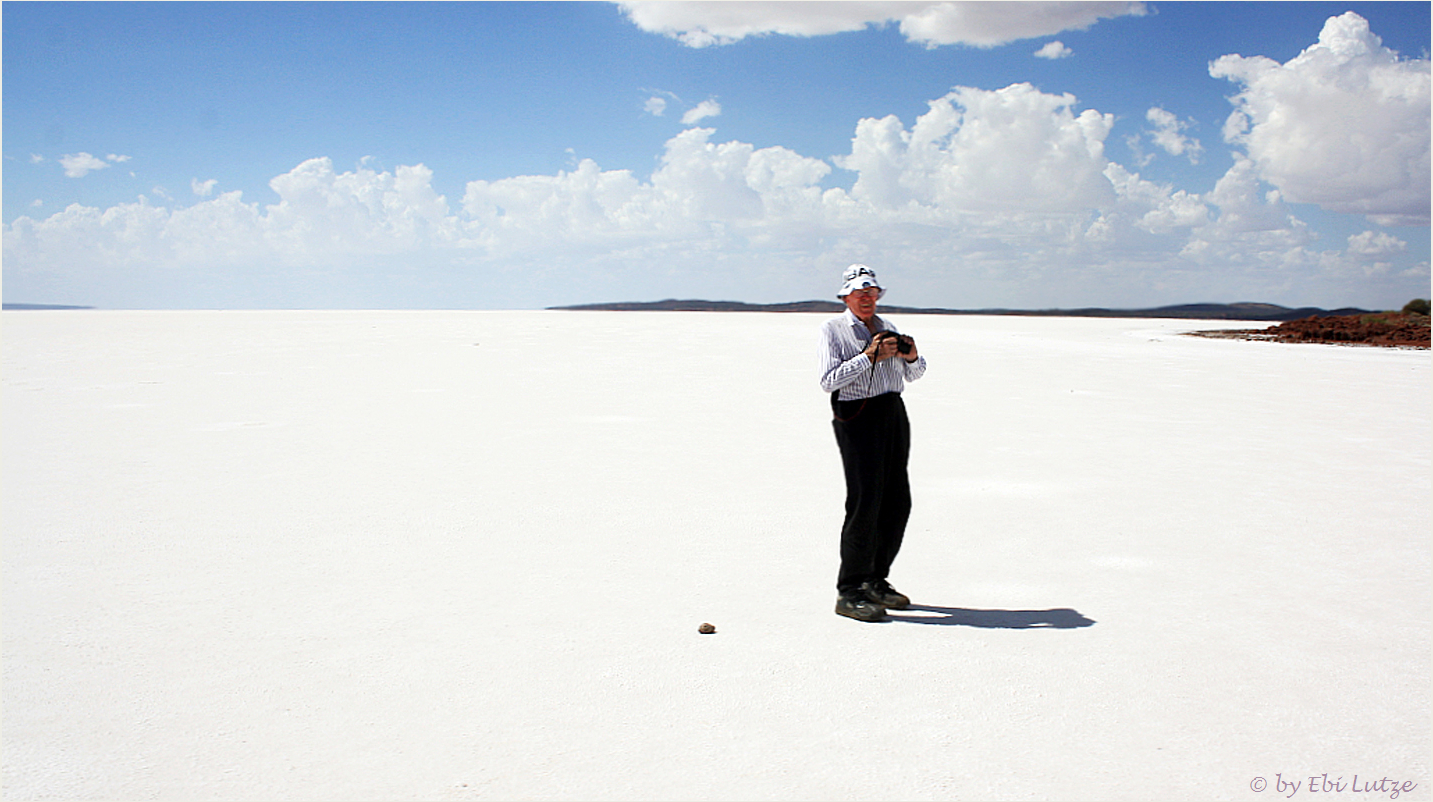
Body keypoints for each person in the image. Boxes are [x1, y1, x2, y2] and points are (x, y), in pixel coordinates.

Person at [818, 264, 926, 622]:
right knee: (865, 500)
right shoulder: (833, 329)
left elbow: (915, 373)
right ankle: (849, 590)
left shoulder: (889, 328)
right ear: (846, 297)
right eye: (859, 293)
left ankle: (875, 579)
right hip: (856, 416)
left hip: (892, 411)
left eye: (871, 292)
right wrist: (868, 357)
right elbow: (828, 380)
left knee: (897, 500)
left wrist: (909, 355)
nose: (866, 298)